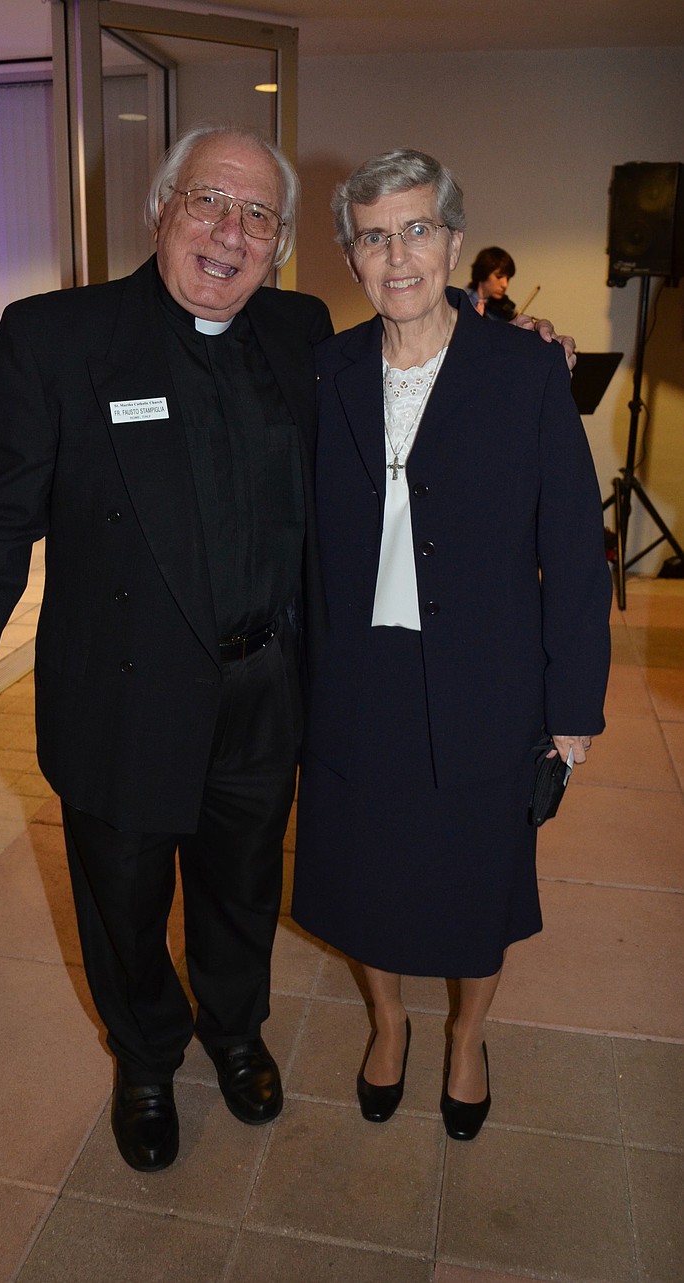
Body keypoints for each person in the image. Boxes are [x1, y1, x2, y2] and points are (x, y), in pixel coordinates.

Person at [0, 128, 573, 1174]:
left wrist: (514, 341)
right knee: (123, 901)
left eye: (259, 215)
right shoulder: (55, 337)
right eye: (208, 202)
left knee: (242, 885)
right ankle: (146, 1057)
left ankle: (234, 1027)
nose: (231, 231)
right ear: (161, 208)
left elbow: (423, 372)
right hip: (122, 693)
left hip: (265, 684)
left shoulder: (301, 333)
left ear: (286, 244)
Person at [291, 149, 611, 1142]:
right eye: (374, 235)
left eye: (417, 229)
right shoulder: (326, 369)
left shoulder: (521, 372)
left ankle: (466, 1035)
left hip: (486, 678)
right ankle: (388, 1021)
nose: (398, 255)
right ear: (349, 255)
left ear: (455, 244)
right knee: (364, 873)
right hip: (355, 673)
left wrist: (572, 711)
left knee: (477, 880)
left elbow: (572, 545)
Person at [466, 244, 517, 320]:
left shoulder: (503, 311)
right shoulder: (463, 303)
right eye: (499, 277)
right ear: (483, 273)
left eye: (508, 279)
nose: (505, 285)